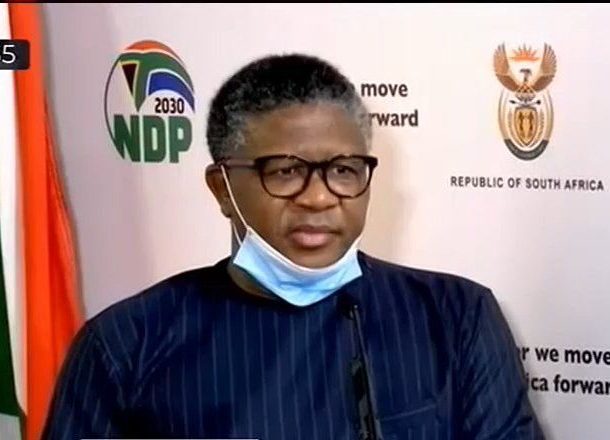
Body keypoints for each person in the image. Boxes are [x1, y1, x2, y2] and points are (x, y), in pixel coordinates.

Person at [42, 54, 545, 440]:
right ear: (222, 188)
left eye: (343, 170)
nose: (319, 197)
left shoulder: (456, 317)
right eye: (285, 172)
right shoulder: (125, 346)